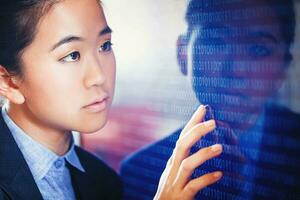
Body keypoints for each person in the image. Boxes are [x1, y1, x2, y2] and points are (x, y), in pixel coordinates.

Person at [0, 0, 223, 199]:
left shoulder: (104, 180)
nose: (99, 76)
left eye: (104, 46)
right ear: (8, 82)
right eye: (71, 55)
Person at [121, 0, 300, 199]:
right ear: (182, 54)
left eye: (258, 49)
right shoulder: (138, 172)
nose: (235, 70)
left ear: (283, 69)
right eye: (215, 41)